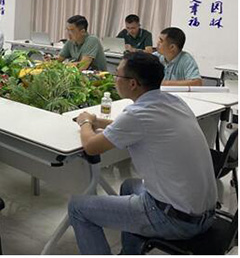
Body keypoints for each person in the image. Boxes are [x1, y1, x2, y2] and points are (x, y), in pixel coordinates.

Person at [67, 52, 216, 254]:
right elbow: (134, 127)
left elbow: (91, 146)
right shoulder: (173, 102)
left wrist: (85, 121)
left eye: (117, 75)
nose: (115, 79)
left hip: (175, 220)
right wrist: (98, 122)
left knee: (77, 207)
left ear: (133, 83)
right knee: (129, 186)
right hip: (204, 214)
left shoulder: (137, 115)